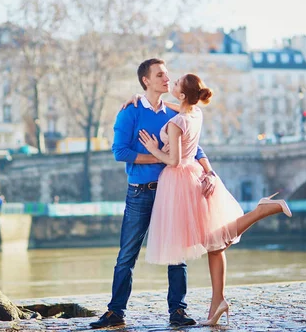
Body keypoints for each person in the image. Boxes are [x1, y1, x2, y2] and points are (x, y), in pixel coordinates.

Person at [138, 73, 292, 326]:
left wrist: (155, 149)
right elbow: (178, 110)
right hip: (196, 175)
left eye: (176, 84)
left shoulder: (177, 122)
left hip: (180, 181)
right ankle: (217, 301)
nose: (172, 84)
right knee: (215, 245)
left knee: (211, 238)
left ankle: (261, 211)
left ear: (183, 94)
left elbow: (174, 160)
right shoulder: (195, 114)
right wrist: (141, 98)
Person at [90, 58, 217, 329]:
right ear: (146, 80)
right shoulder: (130, 112)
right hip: (140, 193)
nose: (166, 78)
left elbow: (193, 149)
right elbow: (120, 152)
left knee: (178, 254)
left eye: (167, 74)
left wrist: (208, 171)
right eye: (160, 74)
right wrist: (159, 157)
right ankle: (115, 312)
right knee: (127, 254)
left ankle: (178, 311)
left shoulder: (174, 113)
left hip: (171, 191)